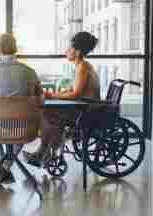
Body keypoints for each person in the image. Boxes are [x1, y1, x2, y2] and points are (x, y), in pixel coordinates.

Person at [25, 31, 100, 166]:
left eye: (69, 48)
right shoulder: (81, 66)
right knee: (48, 111)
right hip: (84, 107)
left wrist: (52, 95)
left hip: (86, 111)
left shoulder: (82, 67)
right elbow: (70, 90)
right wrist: (52, 94)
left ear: (77, 52)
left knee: (47, 113)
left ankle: (45, 152)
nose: (66, 51)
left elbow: (75, 94)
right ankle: (46, 151)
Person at [0, 33, 43, 185]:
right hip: (24, 129)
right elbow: (41, 100)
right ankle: (5, 166)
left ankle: (0, 165)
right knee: (23, 122)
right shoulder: (30, 71)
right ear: (15, 49)